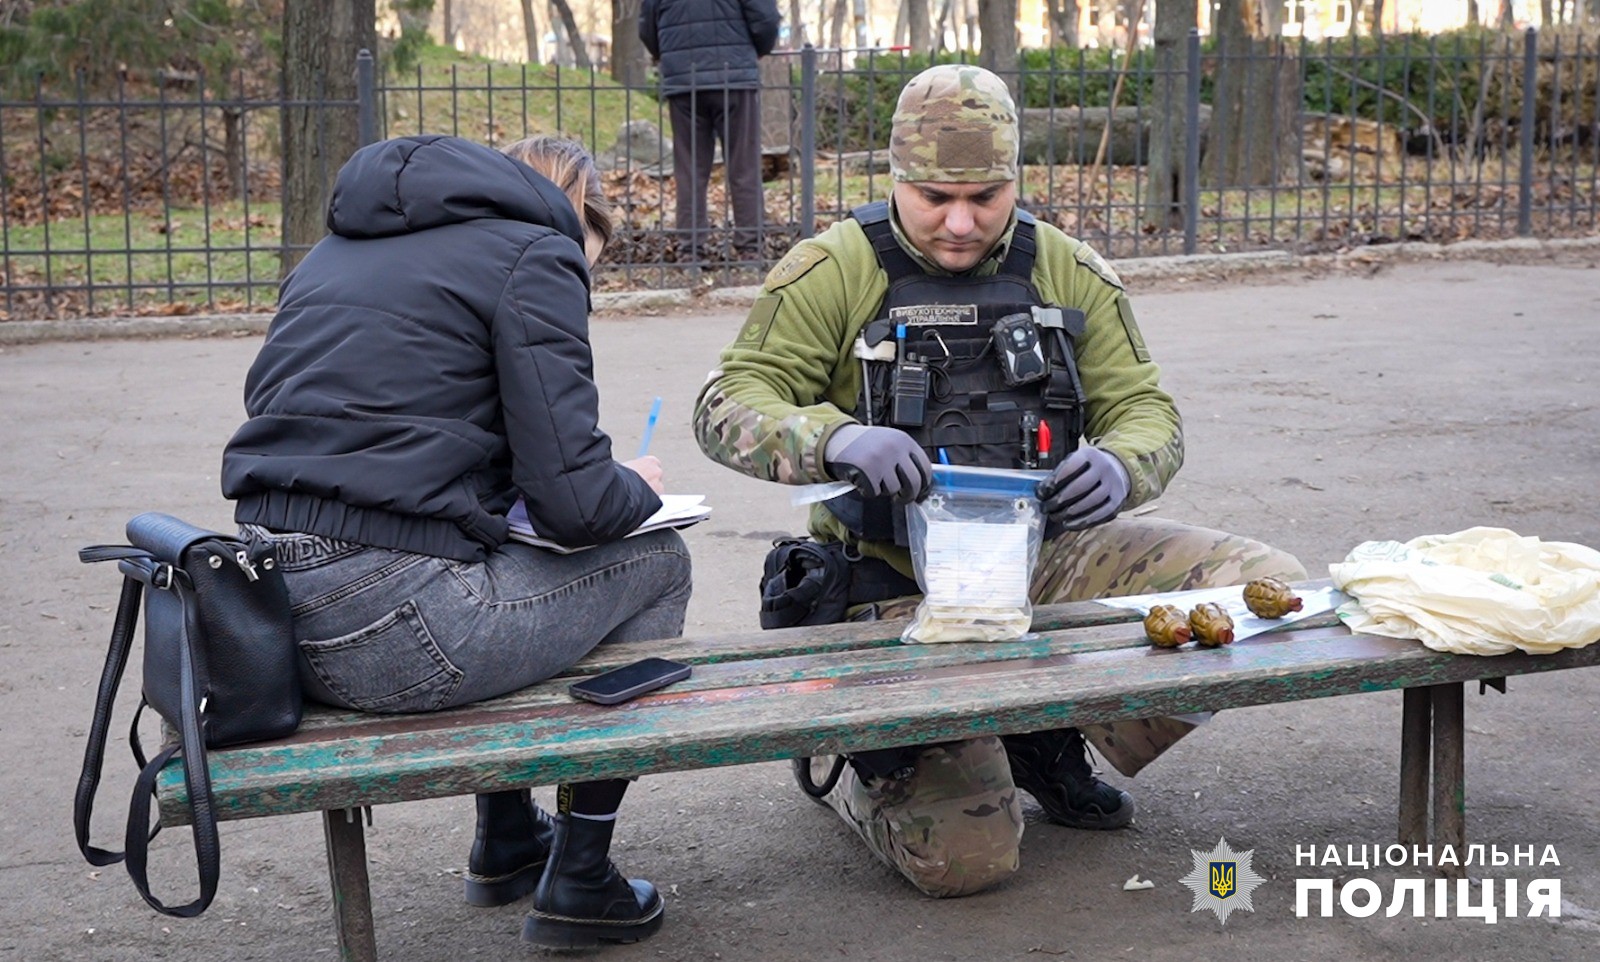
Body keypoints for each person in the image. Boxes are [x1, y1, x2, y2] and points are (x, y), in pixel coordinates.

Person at [692, 65, 1305, 898]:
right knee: (967, 863)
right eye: (935, 197)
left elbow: (1148, 411)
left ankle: (1047, 732)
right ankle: (857, 765)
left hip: (1043, 561)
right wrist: (833, 439)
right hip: (894, 588)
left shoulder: (1062, 265)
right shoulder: (836, 266)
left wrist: (1124, 464)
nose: (959, 222)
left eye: (985, 197)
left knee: (1266, 589)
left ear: (1017, 180)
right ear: (897, 179)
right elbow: (727, 401)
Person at [220, 134, 692, 949]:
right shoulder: (535, 254)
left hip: (266, 624)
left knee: (512, 558)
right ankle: (580, 876)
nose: (585, 288)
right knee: (655, 562)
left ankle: (506, 840)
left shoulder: (336, 252)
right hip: (396, 633)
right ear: (575, 222)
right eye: (591, 269)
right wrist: (639, 490)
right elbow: (577, 504)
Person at [639, 0, 781, 254]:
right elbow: (766, 18)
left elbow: (647, 28)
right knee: (744, 165)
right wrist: (757, 49)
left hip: (684, 80)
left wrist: (665, 53)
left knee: (690, 169)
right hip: (734, 77)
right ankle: (750, 247)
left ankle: (690, 249)